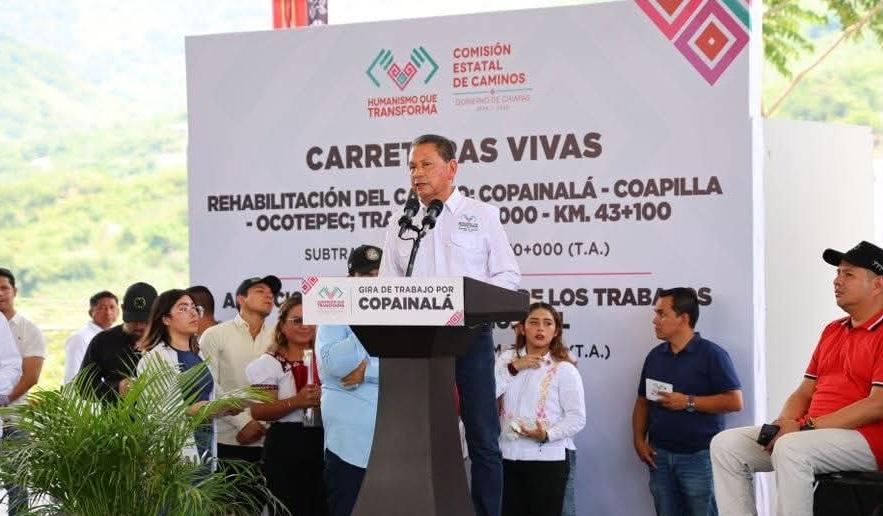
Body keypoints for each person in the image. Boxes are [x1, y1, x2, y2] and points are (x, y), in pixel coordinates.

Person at [379, 134, 520, 516]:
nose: (417, 173)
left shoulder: (482, 215)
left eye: (426, 164)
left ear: (452, 168)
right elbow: (387, 285)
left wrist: (475, 301)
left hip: (470, 340)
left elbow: (508, 276)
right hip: (418, 348)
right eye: (412, 166)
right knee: (420, 441)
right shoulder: (401, 222)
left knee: (483, 439)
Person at [711, 240, 883, 516]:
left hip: (868, 439)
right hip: (813, 433)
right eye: (837, 273)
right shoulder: (833, 330)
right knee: (727, 445)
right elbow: (804, 391)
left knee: (791, 448)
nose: (837, 281)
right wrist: (784, 423)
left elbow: (877, 404)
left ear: (878, 284)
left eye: (848, 274)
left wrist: (805, 428)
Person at [633, 287, 743, 516]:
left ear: (683, 318)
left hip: (699, 457)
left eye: (662, 314)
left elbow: (734, 401)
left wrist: (688, 402)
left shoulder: (712, 355)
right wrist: (638, 440)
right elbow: (642, 401)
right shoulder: (655, 356)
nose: (655, 320)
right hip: (659, 457)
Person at [199, 275, 280, 508]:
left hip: (268, 441)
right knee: (226, 508)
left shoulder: (278, 337)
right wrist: (243, 421)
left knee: (259, 507)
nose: (268, 296)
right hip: (227, 439)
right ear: (240, 299)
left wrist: (260, 423)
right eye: (260, 291)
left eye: (271, 293)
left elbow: (283, 387)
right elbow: (209, 384)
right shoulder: (215, 334)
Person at [316, 244, 382, 516]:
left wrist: (368, 369)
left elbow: (408, 366)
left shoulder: (402, 311)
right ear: (350, 278)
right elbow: (335, 365)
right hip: (349, 445)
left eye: (379, 275)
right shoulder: (333, 314)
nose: (374, 283)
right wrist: (364, 321)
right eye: (367, 276)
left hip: (396, 441)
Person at [247, 295, 326, 516]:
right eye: (297, 320)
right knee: (288, 508)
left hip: (326, 439)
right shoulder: (269, 363)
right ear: (282, 325)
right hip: (287, 443)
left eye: (310, 319)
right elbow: (258, 411)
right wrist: (296, 402)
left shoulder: (327, 359)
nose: (305, 325)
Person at [136, 289, 234, 461]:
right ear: (166, 319)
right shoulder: (156, 358)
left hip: (205, 444)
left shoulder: (198, 354)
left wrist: (228, 406)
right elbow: (158, 413)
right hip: (174, 452)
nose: (193, 313)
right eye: (183, 308)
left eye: (194, 307)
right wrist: (197, 410)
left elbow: (211, 395)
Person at [0, 268, 47, 515]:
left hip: (15, 418)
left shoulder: (29, 329)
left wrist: (4, 399)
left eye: (4, 288)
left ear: (14, 291)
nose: (0, 294)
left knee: (16, 483)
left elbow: (31, 376)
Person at [79, 282, 157, 402]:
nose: (139, 326)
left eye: (145, 321)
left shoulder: (169, 339)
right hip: (118, 414)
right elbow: (83, 387)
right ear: (122, 310)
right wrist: (117, 389)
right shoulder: (102, 341)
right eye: (133, 320)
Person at [64, 290, 119, 384]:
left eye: (112, 307)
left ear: (118, 311)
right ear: (91, 312)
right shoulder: (79, 338)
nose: (108, 312)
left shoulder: (116, 337)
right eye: (102, 308)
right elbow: (72, 378)